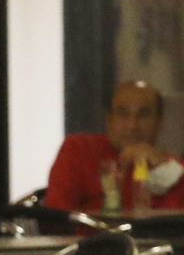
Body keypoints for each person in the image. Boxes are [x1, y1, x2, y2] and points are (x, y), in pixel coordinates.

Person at [45, 81, 184, 212]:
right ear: (109, 119)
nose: (132, 125)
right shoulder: (79, 149)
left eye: (143, 115)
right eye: (123, 114)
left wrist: (164, 168)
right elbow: (56, 215)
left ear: (159, 122)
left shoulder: (174, 169)